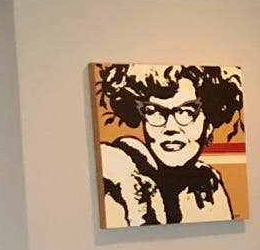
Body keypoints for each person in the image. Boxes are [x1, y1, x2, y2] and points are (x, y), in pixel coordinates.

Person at [95, 64, 243, 225]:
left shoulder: (207, 185)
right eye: (154, 112)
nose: (170, 128)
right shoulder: (117, 181)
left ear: (208, 126)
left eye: (186, 112)